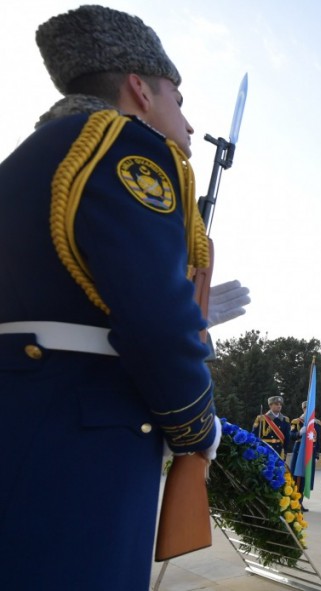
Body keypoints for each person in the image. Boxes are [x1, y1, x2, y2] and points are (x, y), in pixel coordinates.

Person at [0, 6, 227, 589]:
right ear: (140, 91)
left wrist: (180, 298)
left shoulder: (32, 157)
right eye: (177, 98)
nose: (187, 119)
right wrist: (198, 425)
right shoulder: (126, 147)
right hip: (82, 445)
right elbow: (153, 325)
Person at [289, 401, 319, 511]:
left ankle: (300, 502)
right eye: (307, 408)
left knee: (305, 478)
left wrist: (316, 456)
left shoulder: (316, 423)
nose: (310, 410)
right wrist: (299, 433)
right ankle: (295, 503)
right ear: (303, 409)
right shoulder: (296, 422)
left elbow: (317, 441)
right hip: (299, 453)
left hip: (310, 452)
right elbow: (291, 436)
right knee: (297, 477)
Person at [254, 395, 291, 459]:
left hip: (279, 450)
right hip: (265, 449)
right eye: (276, 404)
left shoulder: (285, 420)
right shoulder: (261, 418)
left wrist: (285, 451)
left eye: (280, 404)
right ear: (270, 405)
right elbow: (255, 435)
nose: (279, 406)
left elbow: (287, 437)